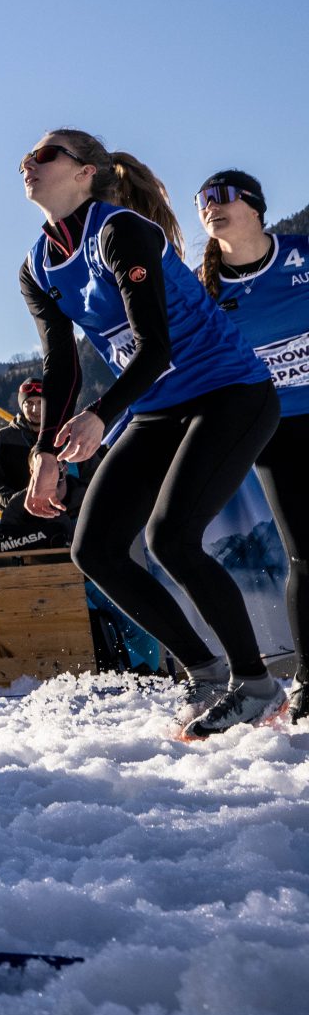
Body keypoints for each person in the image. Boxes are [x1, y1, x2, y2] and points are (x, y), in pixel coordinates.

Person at [18, 130, 279, 737]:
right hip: (160, 409)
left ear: (85, 173)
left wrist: (102, 415)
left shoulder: (121, 231)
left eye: (44, 154)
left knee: (171, 537)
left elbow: (155, 349)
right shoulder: (37, 266)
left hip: (230, 394)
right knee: (96, 549)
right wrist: (45, 452)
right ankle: (207, 672)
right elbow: (63, 368)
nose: (27, 164)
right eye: (25, 157)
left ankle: (255, 682)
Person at [195, 168, 309, 720]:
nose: (210, 207)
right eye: (202, 202)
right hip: (274, 428)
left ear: (257, 206)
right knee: (304, 554)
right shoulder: (204, 290)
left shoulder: (301, 257)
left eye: (222, 196)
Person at [0, 380, 76, 550]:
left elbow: (91, 475)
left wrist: (71, 499)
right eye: (29, 403)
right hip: (20, 523)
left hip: (67, 519)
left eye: (40, 402)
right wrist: (15, 501)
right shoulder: (2, 439)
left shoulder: (66, 436)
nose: (35, 409)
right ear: (21, 405)